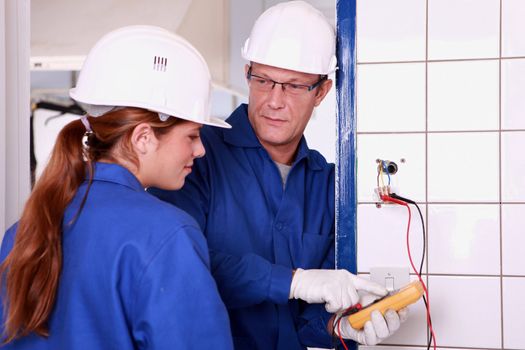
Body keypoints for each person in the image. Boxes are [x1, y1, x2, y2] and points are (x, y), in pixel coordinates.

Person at [150, 1, 407, 349]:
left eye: (293, 86)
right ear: (247, 75)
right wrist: (292, 282)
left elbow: (307, 319)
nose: (274, 100)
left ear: (321, 92)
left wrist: (340, 326)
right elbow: (180, 266)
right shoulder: (195, 157)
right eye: (264, 80)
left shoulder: (328, 185)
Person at [0, 25, 233, 349]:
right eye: (192, 136)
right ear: (143, 138)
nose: (200, 150)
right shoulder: (167, 234)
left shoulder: (22, 232)